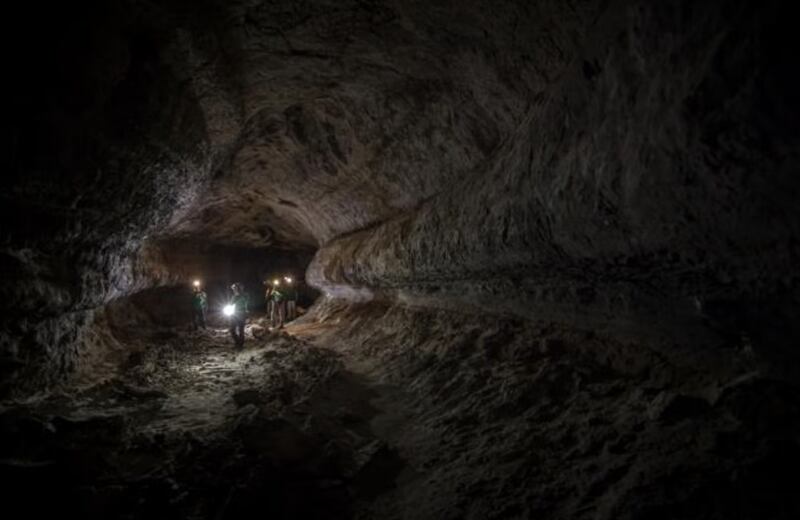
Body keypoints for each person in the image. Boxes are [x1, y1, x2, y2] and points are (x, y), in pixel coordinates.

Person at [228, 283, 249, 348]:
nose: (234, 290)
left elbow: (245, 300)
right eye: (233, 289)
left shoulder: (245, 295)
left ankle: (240, 344)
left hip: (242, 313)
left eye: (235, 288)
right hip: (234, 314)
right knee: (232, 329)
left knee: (241, 330)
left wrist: (237, 296)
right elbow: (231, 304)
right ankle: (238, 342)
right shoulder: (234, 296)